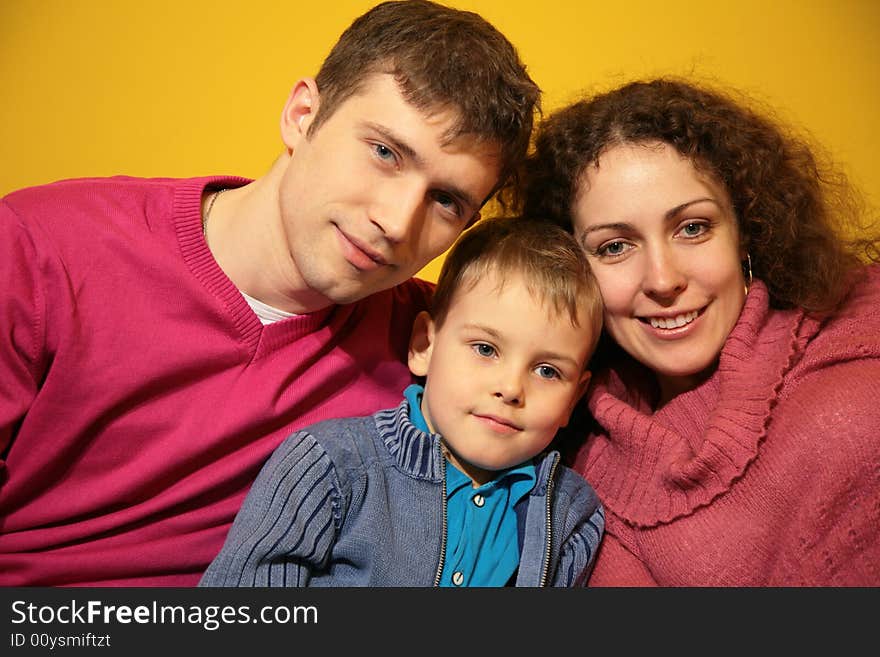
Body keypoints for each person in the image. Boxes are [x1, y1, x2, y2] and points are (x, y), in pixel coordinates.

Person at [0, 1, 540, 586]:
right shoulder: (41, 248)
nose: (396, 221)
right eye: (385, 152)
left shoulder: (441, 344)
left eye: (446, 201)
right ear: (302, 114)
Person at [522, 78, 880, 586]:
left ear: (745, 230)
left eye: (692, 228)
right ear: (568, 271)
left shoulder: (860, 323)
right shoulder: (579, 484)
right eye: (614, 247)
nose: (664, 280)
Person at [199, 217, 605, 587]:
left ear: (575, 397)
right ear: (424, 345)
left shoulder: (571, 516)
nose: (511, 388)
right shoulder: (331, 467)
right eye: (485, 348)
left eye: (548, 371)